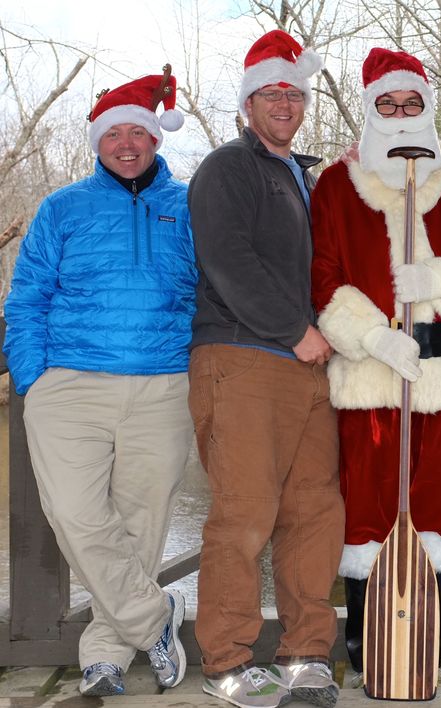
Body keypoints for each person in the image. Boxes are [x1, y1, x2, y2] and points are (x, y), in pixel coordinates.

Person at [310, 47, 441, 687]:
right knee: (367, 509)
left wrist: (439, 278)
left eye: (411, 104)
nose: (400, 115)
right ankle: (368, 645)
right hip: (372, 377)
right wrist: (373, 336)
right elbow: (325, 278)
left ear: (425, 107)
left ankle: (427, 640)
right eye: (387, 105)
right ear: (371, 109)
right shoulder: (339, 185)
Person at [3, 67, 194, 697]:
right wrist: (34, 377)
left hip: (162, 384)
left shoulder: (190, 206)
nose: (129, 143)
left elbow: (217, 288)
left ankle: (106, 652)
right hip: (70, 386)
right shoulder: (63, 207)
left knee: (143, 522)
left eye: (140, 131)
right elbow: (26, 297)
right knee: (75, 515)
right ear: (98, 142)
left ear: (156, 140)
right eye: (116, 134)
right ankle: (154, 618)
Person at [187, 30, 345, 708]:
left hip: (307, 366)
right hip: (244, 356)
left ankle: (306, 654)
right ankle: (225, 661)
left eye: (292, 93)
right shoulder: (228, 168)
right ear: (247, 103)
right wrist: (294, 331)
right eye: (269, 94)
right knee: (244, 514)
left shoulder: (297, 177)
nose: (283, 103)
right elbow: (228, 261)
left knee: (314, 512)